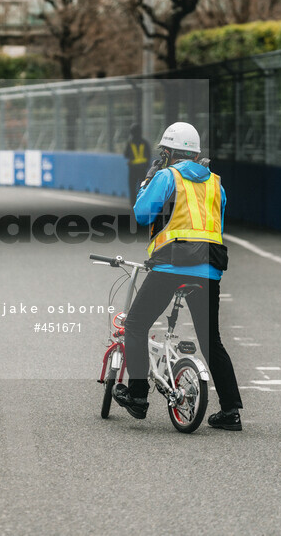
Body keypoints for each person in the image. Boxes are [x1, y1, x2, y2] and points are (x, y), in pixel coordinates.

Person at [112, 121, 244, 431]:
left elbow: (143, 213)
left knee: (135, 324)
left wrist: (147, 181)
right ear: (196, 154)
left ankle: (139, 396)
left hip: (171, 265)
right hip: (209, 268)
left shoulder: (166, 176)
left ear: (169, 153)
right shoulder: (215, 184)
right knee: (212, 340)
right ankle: (231, 411)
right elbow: (218, 225)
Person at [123, 124, 150, 207]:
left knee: (132, 186)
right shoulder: (145, 142)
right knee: (143, 186)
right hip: (142, 168)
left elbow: (126, 155)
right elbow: (148, 155)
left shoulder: (130, 143)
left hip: (133, 168)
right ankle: (142, 202)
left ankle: (133, 203)